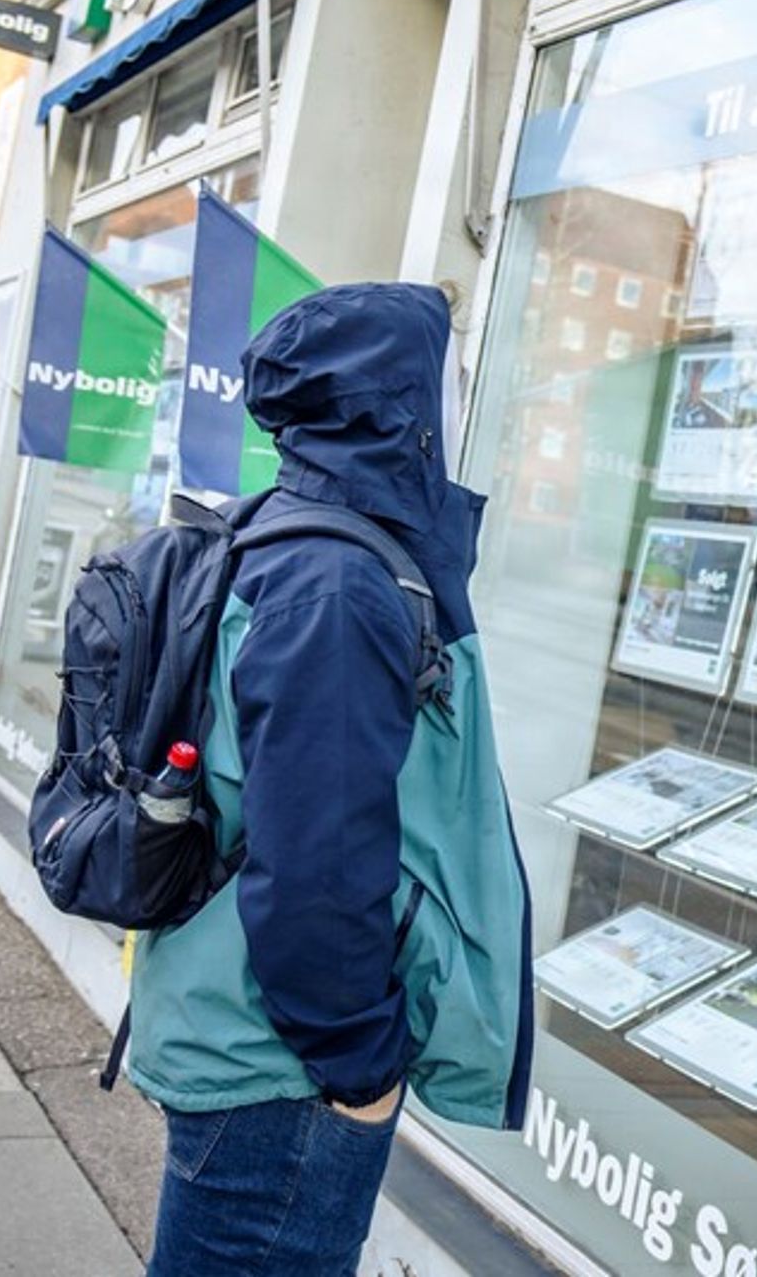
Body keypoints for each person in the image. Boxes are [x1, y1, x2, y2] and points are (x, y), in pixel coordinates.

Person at [124, 282, 534, 1276]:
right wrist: (360, 1069)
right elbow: (316, 862)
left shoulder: (295, 537)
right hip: (281, 1071)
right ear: (396, 404)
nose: (459, 400)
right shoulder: (340, 582)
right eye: (446, 377)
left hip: (242, 1030)